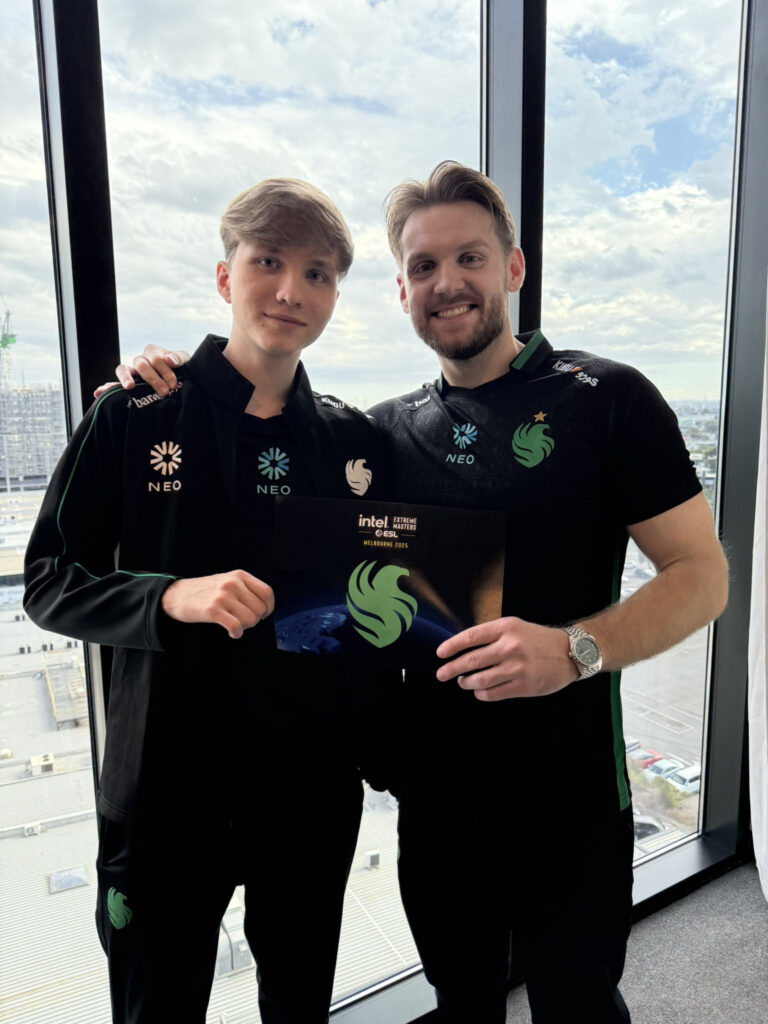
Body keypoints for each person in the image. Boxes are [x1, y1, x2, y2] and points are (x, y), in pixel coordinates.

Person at [103, 161, 729, 1023]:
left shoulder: (607, 398)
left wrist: (575, 649)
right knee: (460, 1001)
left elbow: (703, 576)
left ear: (513, 267)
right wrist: (167, 371)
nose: (448, 283)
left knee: (580, 1004)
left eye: (470, 257)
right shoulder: (382, 436)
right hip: (435, 803)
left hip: (569, 791)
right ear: (401, 291)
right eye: (424, 266)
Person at [24, 178, 392, 1024]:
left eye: (318, 273)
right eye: (268, 262)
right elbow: (47, 581)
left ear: (336, 295)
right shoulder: (133, 418)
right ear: (226, 277)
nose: (291, 290)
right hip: (165, 791)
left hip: (307, 793)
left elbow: (382, 606)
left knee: (299, 1005)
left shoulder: (353, 442)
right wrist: (170, 598)